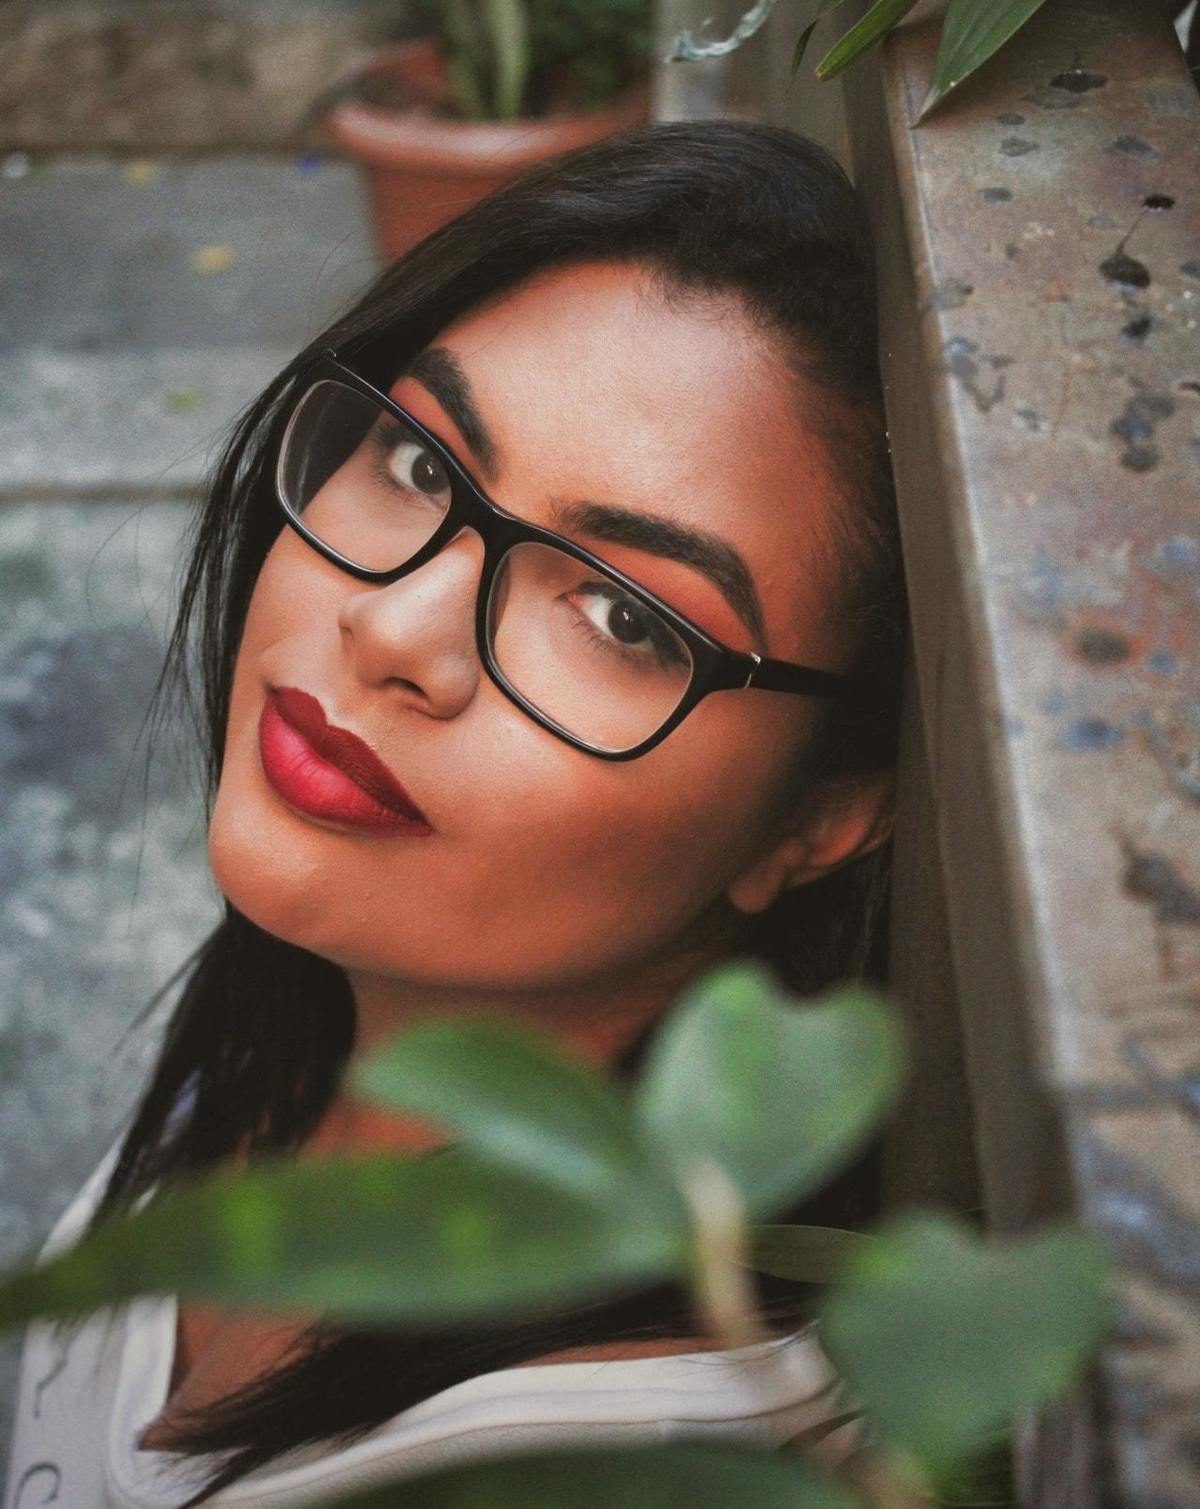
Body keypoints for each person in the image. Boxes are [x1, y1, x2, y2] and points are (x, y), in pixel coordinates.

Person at [3, 118, 905, 1508]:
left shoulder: (636, 1470)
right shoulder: (309, 1041)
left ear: (828, 813)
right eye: (421, 465)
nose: (396, 625)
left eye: (620, 615)